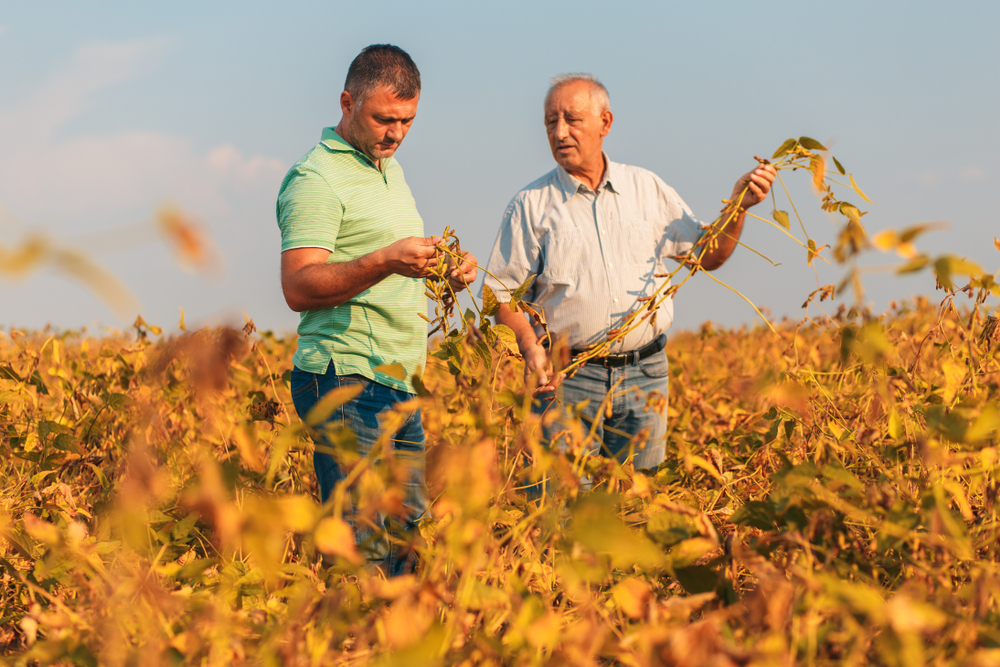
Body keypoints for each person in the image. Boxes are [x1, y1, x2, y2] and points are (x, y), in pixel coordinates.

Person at [482, 73, 775, 474]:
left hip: (645, 375)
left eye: (572, 119)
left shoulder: (647, 188)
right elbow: (499, 295)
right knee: (564, 511)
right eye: (551, 122)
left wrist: (739, 205)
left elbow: (707, 255)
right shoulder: (530, 205)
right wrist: (530, 346)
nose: (560, 132)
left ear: (605, 123)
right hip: (568, 379)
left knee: (637, 506)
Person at [276, 44, 477, 575]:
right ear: (346, 102)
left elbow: (386, 259)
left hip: (399, 381)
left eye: (407, 121)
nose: (396, 133)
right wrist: (387, 259)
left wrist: (444, 266)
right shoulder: (314, 179)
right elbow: (298, 286)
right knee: (359, 548)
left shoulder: (389, 169)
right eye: (384, 119)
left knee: (409, 541)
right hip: (346, 381)